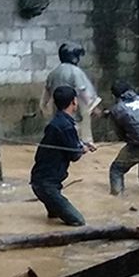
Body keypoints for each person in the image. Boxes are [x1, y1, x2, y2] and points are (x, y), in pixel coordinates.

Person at [30, 85, 94, 227]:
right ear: (74, 102)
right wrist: (83, 149)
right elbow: (74, 155)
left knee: (53, 218)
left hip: (42, 181)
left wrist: (84, 144)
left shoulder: (59, 122)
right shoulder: (65, 126)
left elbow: (70, 143)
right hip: (46, 186)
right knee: (78, 221)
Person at [41, 42, 99, 145]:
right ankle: (84, 143)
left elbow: (47, 91)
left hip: (58, 106)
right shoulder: (75, 71)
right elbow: (83, 90)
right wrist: (92, 106)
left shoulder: (54, 72)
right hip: (72, 106)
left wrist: (44, 105)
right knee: (77, 125)